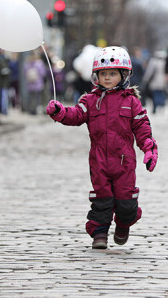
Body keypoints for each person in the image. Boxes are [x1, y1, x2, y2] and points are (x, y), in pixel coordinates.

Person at [45, 46, 158, 249]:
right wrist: (59, 112)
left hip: (124, 162)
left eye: (112, 74)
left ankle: (123, 224)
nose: (107, 78)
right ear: (96, 75)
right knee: (101, 199)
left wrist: (149, 149)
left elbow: (142, 128)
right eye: (103, 74)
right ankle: (100, 234)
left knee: (126, 202)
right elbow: (75, 115)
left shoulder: (131, 102)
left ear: (123, 75)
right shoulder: (90, 101)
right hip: (99, 162)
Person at [142, 50, 167, 114]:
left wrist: (146, 79)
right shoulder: (165, 62)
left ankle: (155, 107)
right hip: (163, 82)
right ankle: (161, 106)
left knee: (155, 95)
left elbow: (149, 72)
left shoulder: (153, 62)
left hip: (154, 81)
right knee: (161, 94)